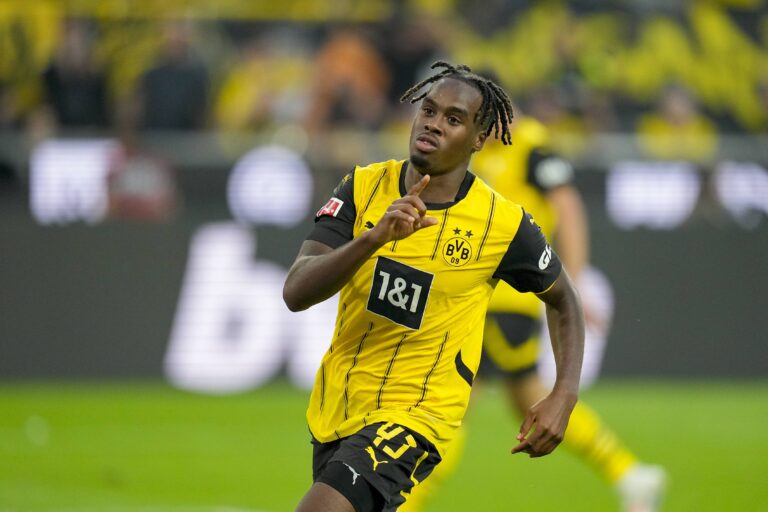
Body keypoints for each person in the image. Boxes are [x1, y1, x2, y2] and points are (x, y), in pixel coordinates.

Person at [283, 61, 585, 512]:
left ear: (479, 139)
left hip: (419, 415)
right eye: (428, 110)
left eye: (454, 119)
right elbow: (296, 292)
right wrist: (371, 239)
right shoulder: (362, 186)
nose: (433, 124)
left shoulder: (501, 224)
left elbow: (564, 301)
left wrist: (564, 393)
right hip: (339, 405)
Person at [401, 113, 667, 512]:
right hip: (486, 298)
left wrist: (574, 284)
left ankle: (403, 502)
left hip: (504, 300)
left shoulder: (529, 145)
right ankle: (628, 472)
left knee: (449, 407)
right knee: (528, 400)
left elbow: (568, 205)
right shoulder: (477, 152)